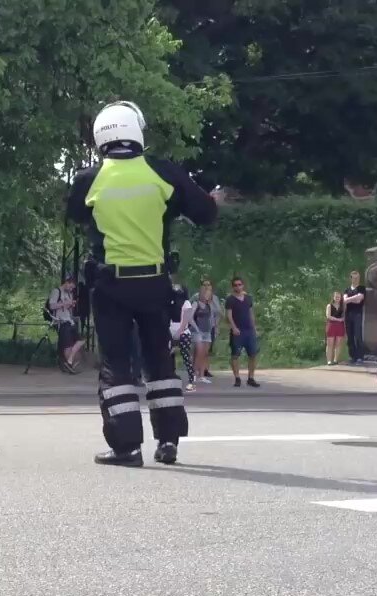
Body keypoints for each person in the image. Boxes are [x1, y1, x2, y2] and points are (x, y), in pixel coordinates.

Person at [66, 99, 218, 467]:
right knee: (159, 362)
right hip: (155, 283)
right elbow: (206, 213)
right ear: (136, 131)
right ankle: (168, 443)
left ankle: (126, 447)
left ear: (101, 137)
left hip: (110, 286)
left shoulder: (89, 179)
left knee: (117, 366)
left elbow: (75, 215)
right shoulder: (163, 173)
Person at [226, 276, 261, 387]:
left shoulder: (248, 298)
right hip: (237, 331)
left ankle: (251, 378)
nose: (238, 287)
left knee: (253, 354)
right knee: (235, 355)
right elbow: (229, 315)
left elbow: (251, 313)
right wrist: (233, 327)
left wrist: (254, 328)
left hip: (249, 330)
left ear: (243, 285)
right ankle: (237, 378)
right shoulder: (230, 299)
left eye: (239, 284)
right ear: (233, 287)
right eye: (235, 285)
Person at [48, 275, 84, 372]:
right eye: (71, 287)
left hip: (69, 320)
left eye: (73, 288)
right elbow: (52, 306)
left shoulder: (69, 293)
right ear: (67, 283)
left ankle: (69, 361)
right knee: (67, 345)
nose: (71, 289)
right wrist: (65, 303)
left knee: (80, 340)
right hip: (61, 321)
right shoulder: (57, 291)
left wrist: (71, 305)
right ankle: (68, 364)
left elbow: (67, 308)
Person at [169, 283, 197, 391]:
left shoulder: (186, 303)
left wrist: (179, 332)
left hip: (183, 333)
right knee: (169, 357)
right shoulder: (170, 302)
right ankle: (171, 377)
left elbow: (186, 319)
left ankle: (191, 380)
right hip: (171, 331)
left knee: (186, 356)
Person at [191, 279, 219, 383]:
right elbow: (190, 317)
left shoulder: (209, 305)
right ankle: (193, 373)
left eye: (209, 294)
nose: (207, 296)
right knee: (198, 352)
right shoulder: (196, 303)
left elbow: (216, 313)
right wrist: (196, 329)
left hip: (207, 331)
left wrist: (215, 327)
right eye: (205, 294)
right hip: (198, 331)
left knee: (205, 353)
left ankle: (202, 375)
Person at [343, 270, 367, 365]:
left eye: (358, 278)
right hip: (348, 314)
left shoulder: (361, 288)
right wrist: (354, 298)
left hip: (358, 314)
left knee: (358, 335)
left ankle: (360, 357)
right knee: (350, 335)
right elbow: (344, 301)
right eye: (354, 278)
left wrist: (350, 299)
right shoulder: (347, 289)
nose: (356, 280)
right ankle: (352, 356)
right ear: (351, 278)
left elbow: (359, 300)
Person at [325, 290, 346, 365]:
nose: (337, 298)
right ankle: (329, 361)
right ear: (333, 297)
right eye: (336, 297)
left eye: (339, 297)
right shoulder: (329, 305)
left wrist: (342, 319)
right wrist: (338, 319)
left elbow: (344, 316)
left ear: (341, 298)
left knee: (338, 343)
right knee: (330, 343)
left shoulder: (342, 306)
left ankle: (336, 359)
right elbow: (328, 316)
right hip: (331, 325)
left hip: (340, 326)